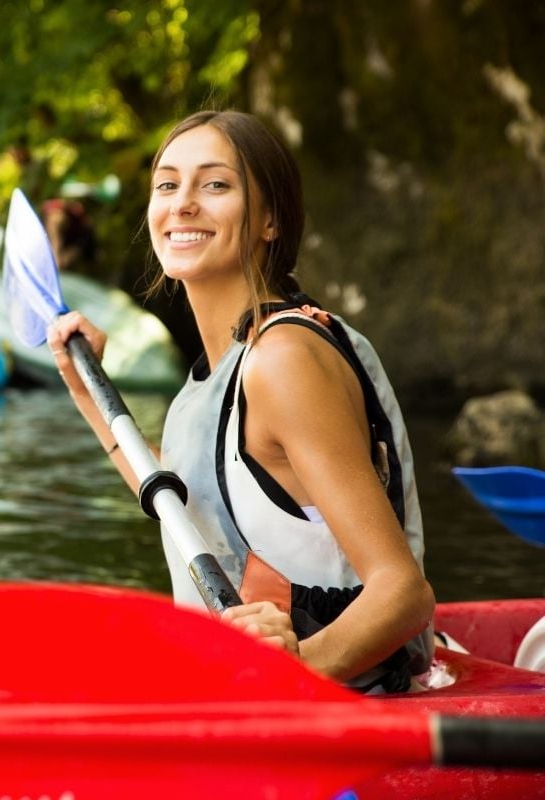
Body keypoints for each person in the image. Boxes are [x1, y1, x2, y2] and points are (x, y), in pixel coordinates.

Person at [47, 110, 435, 693]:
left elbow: (402, 593)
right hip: (241, 696)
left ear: (270, 220)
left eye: (215, 184)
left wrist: (292, 669)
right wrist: (86, 390)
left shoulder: (283, 360)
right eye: (167, 184)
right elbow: (188, 510)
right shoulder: (213, 375)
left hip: (339, 712)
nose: (181, 204)